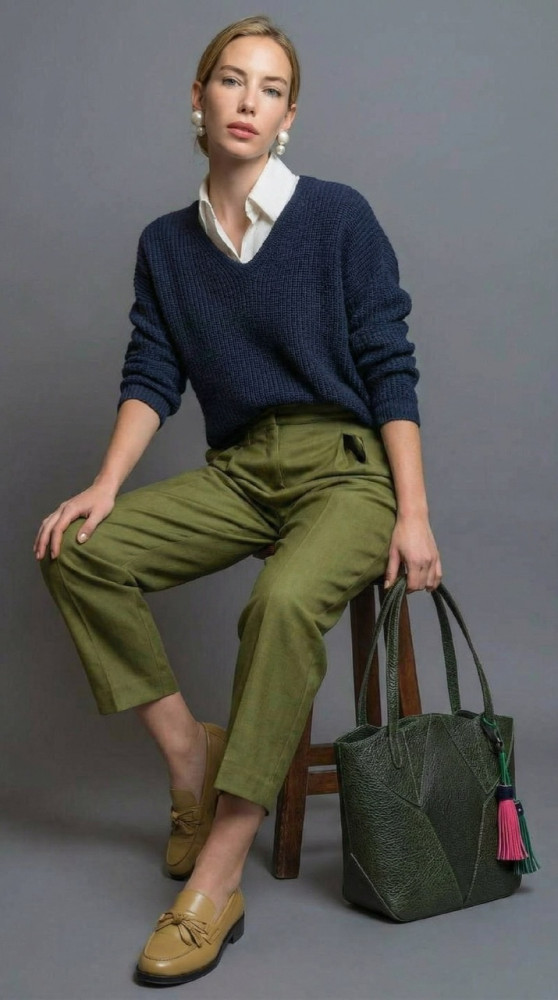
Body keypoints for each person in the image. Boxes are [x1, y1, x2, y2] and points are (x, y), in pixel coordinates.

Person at [34, 14, 442, 988]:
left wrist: (414, 510)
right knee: (77, 551)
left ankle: (219, 872)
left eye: (270, 88)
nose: (248, 101)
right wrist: (105, 484)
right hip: (240, 473)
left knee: (282, 603)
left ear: (289, 114)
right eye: (231, 80)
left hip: (346, 470)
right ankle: (189, 753)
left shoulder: (337, 216)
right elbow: (153, 369)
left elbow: (390, 365)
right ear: (198, 98)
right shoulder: (167, 245)